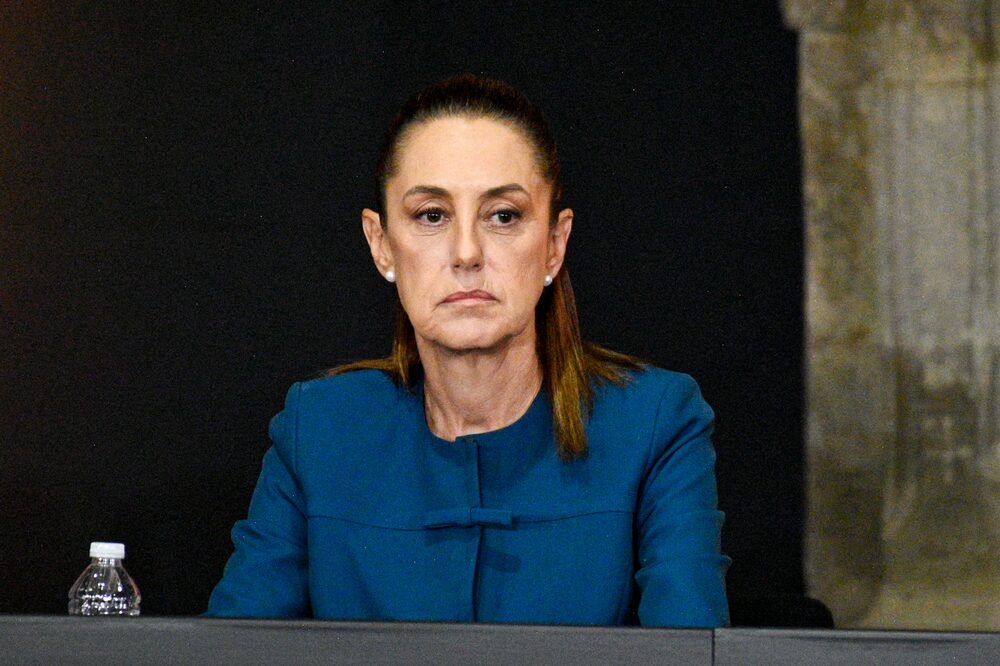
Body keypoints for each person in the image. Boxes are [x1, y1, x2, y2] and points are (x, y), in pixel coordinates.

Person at [206, 74, 730, 627]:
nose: (466, 253)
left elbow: (693, 654)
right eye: (431, 215)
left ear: (554, 244)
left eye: (502, 215)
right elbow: (229, 652)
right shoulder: (318, 430)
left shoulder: (655, 424)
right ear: (381, 244)